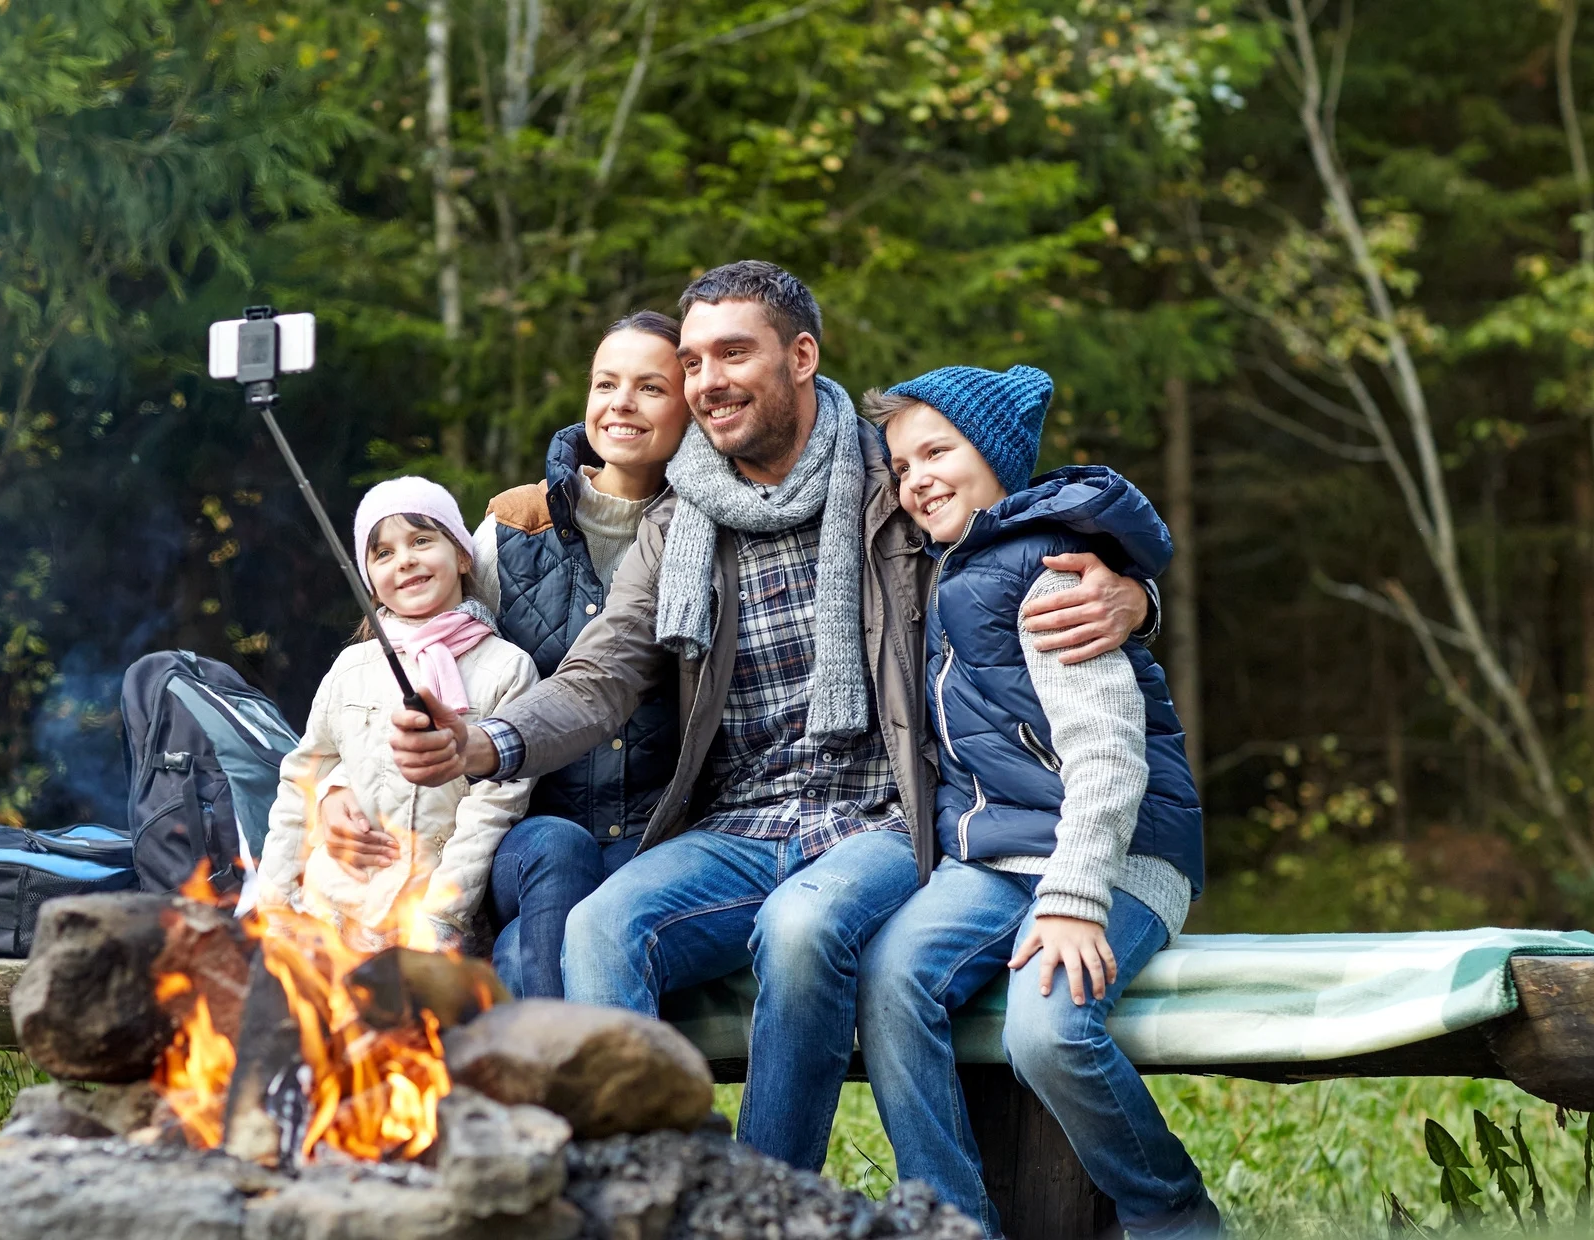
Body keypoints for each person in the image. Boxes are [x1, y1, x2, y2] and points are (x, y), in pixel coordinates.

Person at [388, 260, 1160, 1170]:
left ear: (800, 356)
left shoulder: (892, 479)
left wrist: (1134, 590)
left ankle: (765, 1199)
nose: (708, 379)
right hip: (742, 821)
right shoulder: (680, 525)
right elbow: (600, 674)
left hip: (889, 814)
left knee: (798, 932)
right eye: (695, 360)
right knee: (601, 925)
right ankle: (661, 1187)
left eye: (733, 353)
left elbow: (1024, 526)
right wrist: (487, 740)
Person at [860, 367, 1215, 1237]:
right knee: (890, 980)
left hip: (1115, 857)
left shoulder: (1052, 577)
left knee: (1048, 1033)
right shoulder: (951, 569)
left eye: (939, 451)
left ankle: (1172, 1217)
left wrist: (1071, 899)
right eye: (902, 466)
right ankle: (950, 1221)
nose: (918, 479)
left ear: (998, 456)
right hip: (996, 859)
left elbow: (1106, 758)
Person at [314, 311, 692, 997]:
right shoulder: (516, 526)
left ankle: (549, 1090)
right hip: (522, 837)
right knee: (553, 850)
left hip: (656, 838)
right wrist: (332, 789)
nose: (621, 404)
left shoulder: (708, 534)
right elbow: (407, 651)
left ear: (690, 404)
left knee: (522, 961)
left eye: (650, 387)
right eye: (605, 383)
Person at [255, 477, 537, 952]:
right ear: (369, 580)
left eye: (422, 540)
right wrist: (274, 906)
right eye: (382, 553)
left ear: (463, 556)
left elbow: (495, 805)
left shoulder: (509, 668)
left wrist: (443, 916)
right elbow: (301, 781)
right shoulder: (352, 666)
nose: (404, 559)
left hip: (424, 920)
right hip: (329, 913)